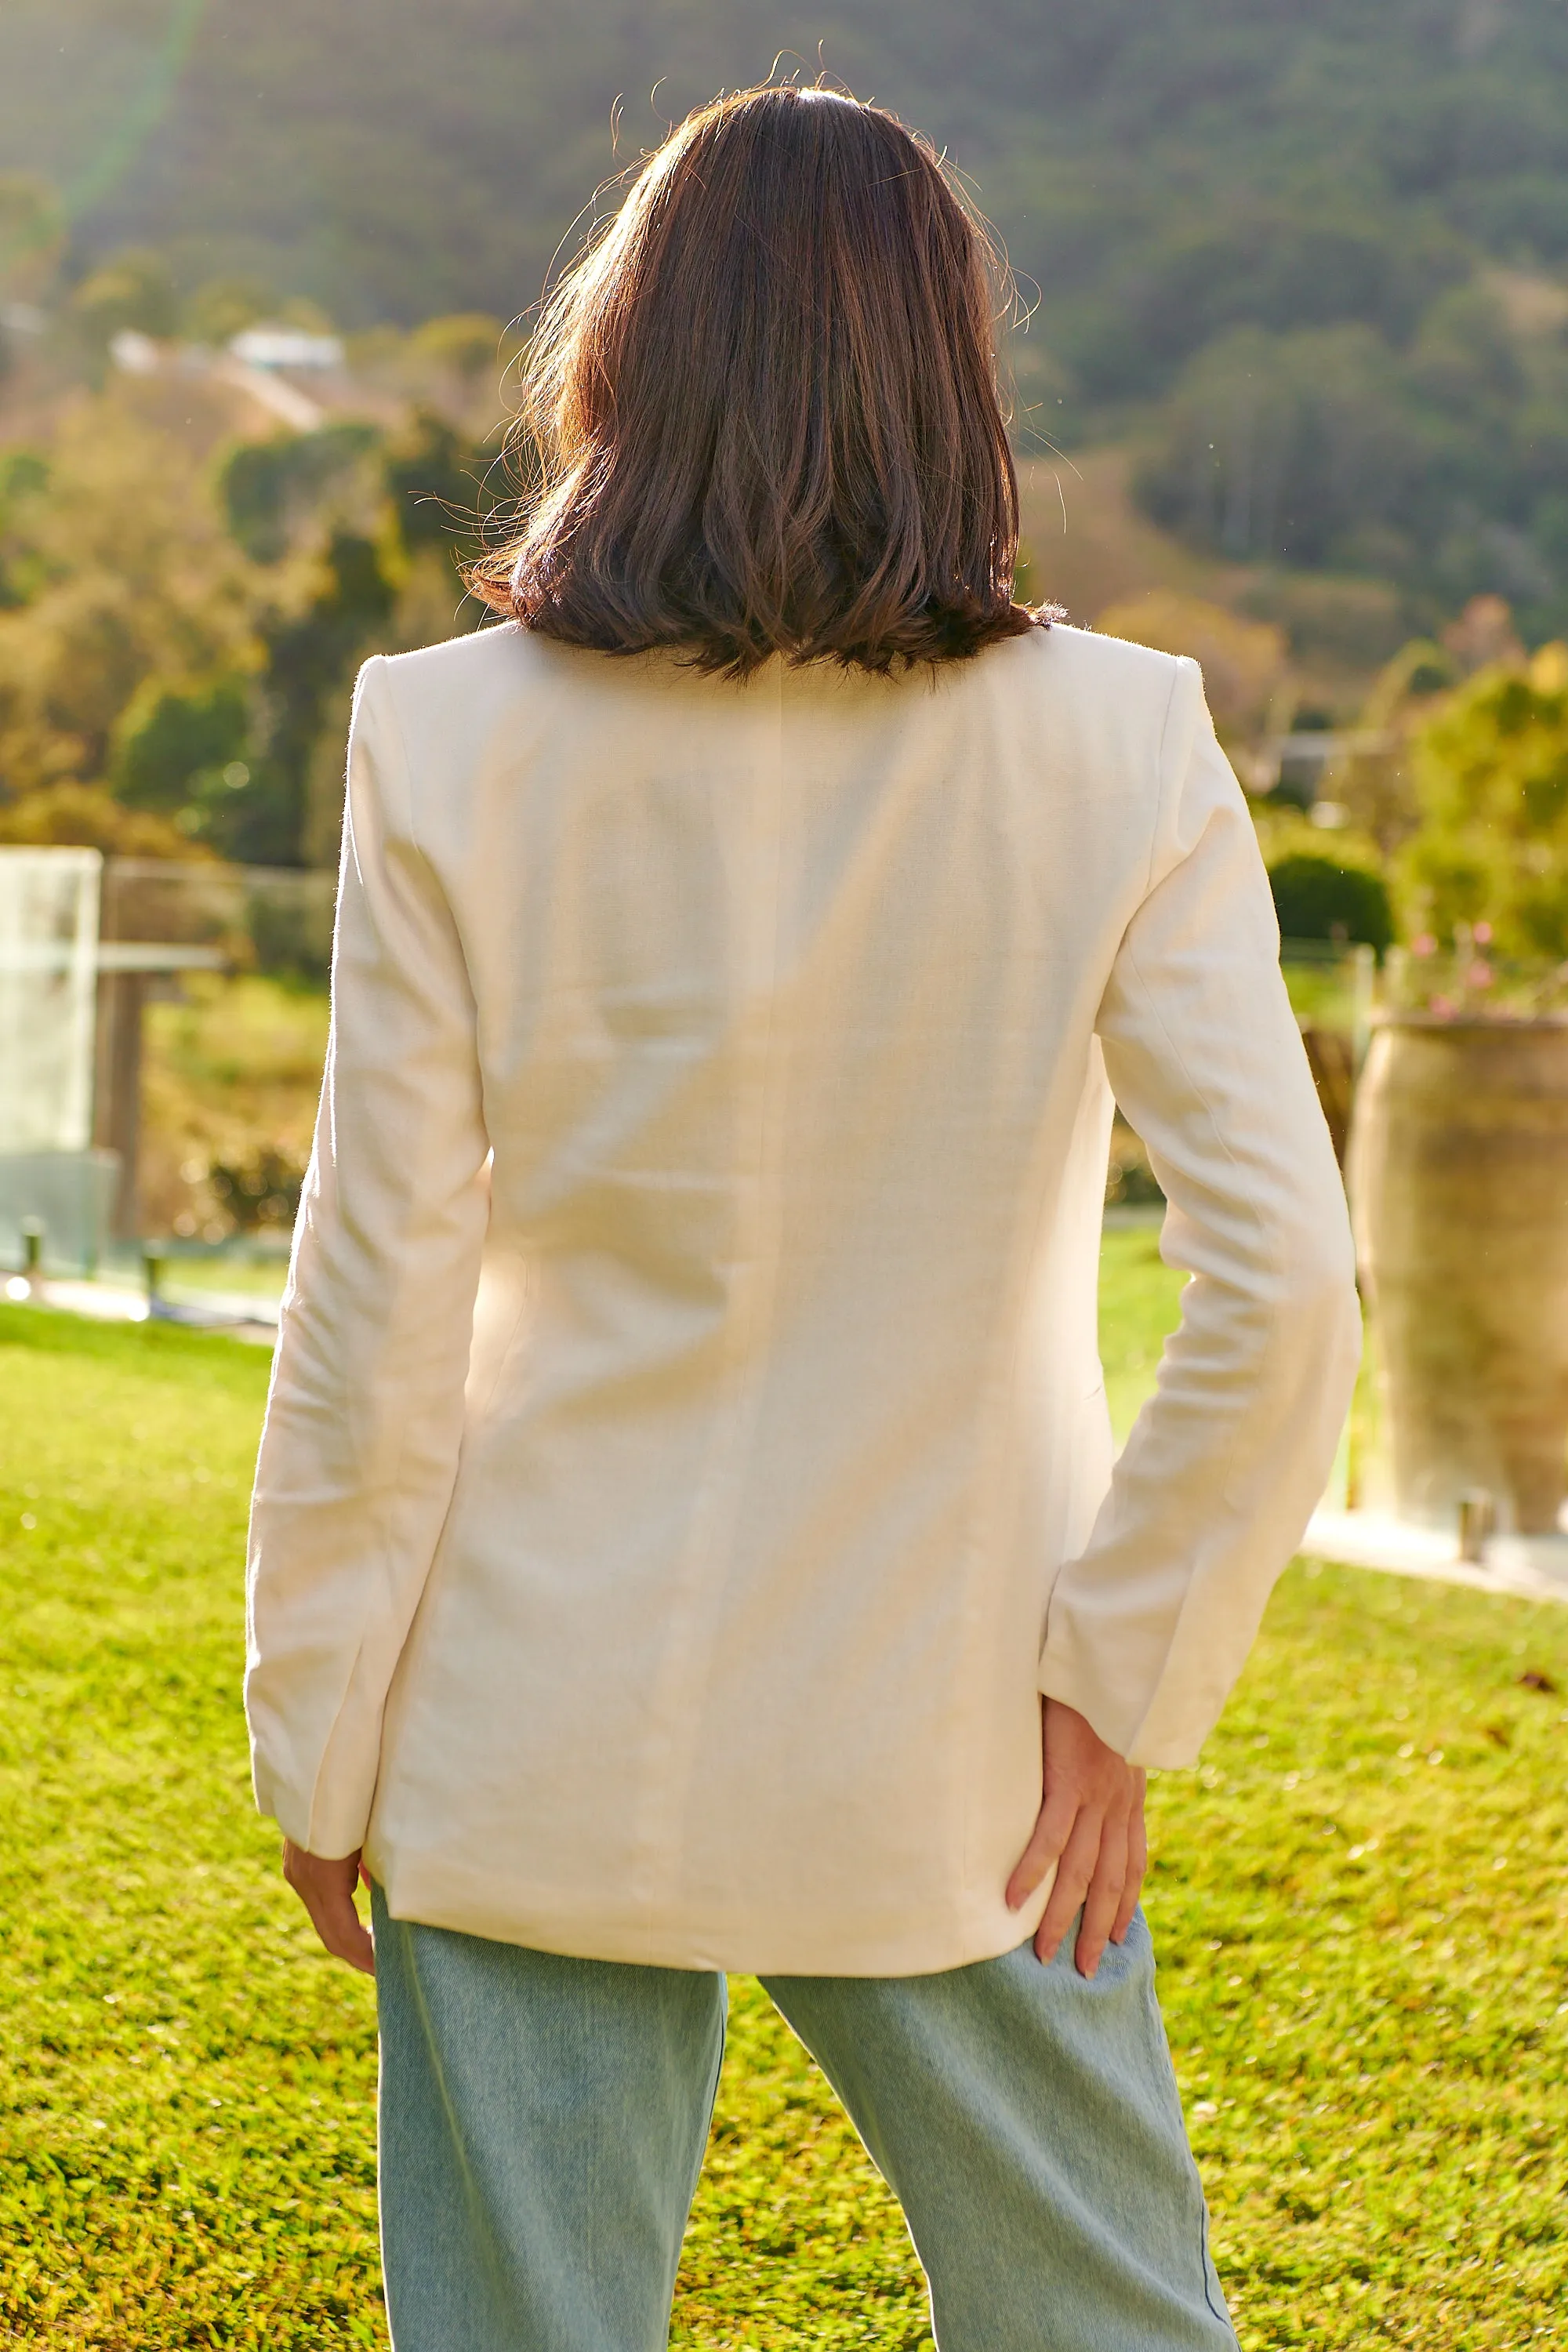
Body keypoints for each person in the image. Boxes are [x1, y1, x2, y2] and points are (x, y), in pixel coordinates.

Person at [245, 82, 1360, 2352]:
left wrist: (323, 1732)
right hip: (966, 1752)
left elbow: (378, 1297)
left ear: (620, 362)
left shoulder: (445, 737)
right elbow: (1292, 1278)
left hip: (524, 1711)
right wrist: (1118, 1682)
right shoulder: (1125, 741)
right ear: (953, 372)